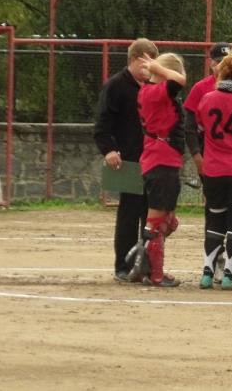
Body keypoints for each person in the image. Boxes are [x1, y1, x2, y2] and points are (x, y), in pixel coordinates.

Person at [183, 42, 232, 283]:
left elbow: (198, 127)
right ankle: (229, 274)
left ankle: (208, 275)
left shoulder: (208, 98)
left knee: (216, 221)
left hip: (215, 169)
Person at [93, 38, 159, 282]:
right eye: (145, 61)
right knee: (129, 215)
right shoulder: (115, 86)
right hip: (130, 162)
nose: (149, 66)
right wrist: (109, 150)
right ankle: (124, 266)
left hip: (154, 160)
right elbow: (102, 124)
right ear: (132, 59)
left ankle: (148, 266)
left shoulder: (155, 86)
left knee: (152, 216)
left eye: (153, 62)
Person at [134, 52, 187, 287]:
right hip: (161, 159)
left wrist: (156, 69)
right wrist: (159, 68)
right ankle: (155, 274)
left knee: (166, 221)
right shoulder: (156, 91)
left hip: (160, 158)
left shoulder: (148, 89)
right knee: (158, 223)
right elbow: (180, 80)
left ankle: (143, 267)